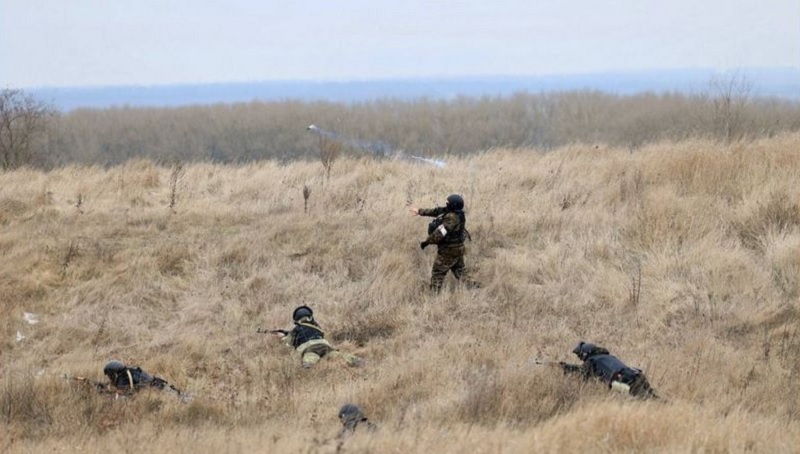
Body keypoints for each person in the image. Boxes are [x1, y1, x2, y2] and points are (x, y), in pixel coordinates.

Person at [410, 194, 477, 292]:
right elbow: (436, 211)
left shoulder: (452, 218)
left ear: (453, 205)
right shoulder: (455, 212)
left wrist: (427, 242)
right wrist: (420, 211)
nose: (446, 204)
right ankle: (476, 287)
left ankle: (434, 295)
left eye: (448, 203)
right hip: (458, 249)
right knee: (461, 272)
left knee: (438, 272)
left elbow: (440, 233)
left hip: (449, 251)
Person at [559, 342, 658, 399]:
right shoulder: (607, 356)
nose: (581, 358)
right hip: (637, 375)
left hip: (625, 381)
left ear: (586, 353)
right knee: (655, 399)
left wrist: (565, 367)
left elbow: (582, 372)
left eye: (580, 355)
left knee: (645, 401)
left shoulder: (592, 360)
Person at [278, 305, 362, 368]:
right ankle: (357, 361)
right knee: (338, 355)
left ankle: (308, 366)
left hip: (309, 348)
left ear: (297, 320)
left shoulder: (296, 329)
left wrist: (283, 337)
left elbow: (288, 344)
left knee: (309, 361)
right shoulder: (317, 327)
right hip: (324, 346)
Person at [102, 360, 181, 397]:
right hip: (160, 384)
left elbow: (120, 394)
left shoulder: (124, 377)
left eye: (110, 375)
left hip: (158, 390)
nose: (110, 378)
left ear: (114, 373)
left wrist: (106, 393)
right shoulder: (129, 371)